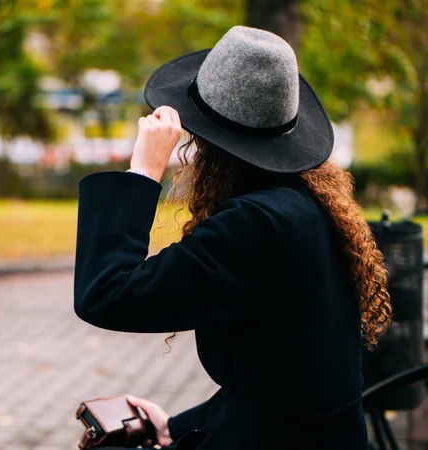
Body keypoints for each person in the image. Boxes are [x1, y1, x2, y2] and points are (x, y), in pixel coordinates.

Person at [73, 26, 392, 450]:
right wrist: (175, 426)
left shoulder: (256, 224)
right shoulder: (312, 210)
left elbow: (106, 293)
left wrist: (143, 172)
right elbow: (281, 386)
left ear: (208, 145)